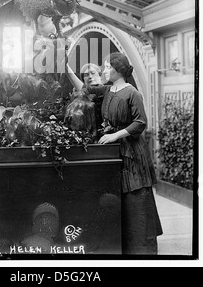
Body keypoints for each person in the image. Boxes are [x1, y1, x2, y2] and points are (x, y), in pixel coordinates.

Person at [70, 52, 163, 255]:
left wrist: (114, 136)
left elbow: (140, 123)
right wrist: (65, 66)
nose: (103, 71)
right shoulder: (108, 90)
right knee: (121, 204)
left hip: (134, 156)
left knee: (136, 201)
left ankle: (142, 252)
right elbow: (83, 89)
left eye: (106, 67)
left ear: (117, 69)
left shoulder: (132, 93)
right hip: (117, 154)